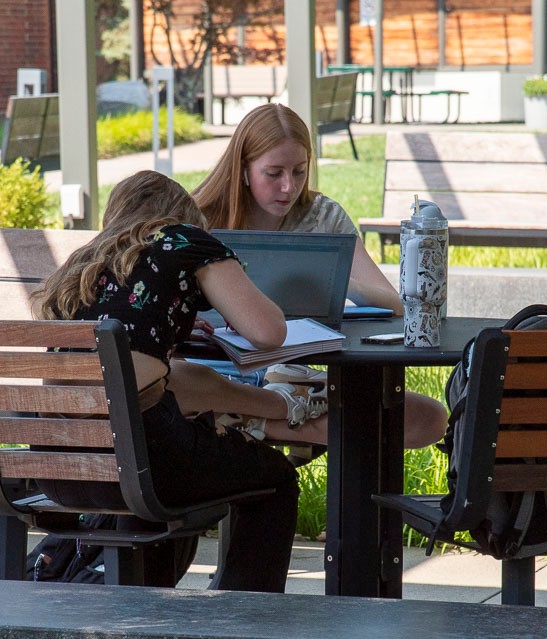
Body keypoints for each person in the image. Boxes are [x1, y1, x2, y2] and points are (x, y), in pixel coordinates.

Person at [32, 170, 322, 592]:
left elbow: (124, 324)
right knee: (274, 477)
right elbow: (267, 332)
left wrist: (175, 323)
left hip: (57, 465)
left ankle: (142, 605)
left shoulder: (86, 261)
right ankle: (247, 620)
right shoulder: (184, 239)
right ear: (182, 213)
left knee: (181, 415)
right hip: (143, 463)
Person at [191, 103, 448, 451]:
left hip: (286, 376)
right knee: (193, 389)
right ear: (243, 169)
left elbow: (392, 303)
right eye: (274, 173)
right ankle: (259, 416)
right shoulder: (197, 219)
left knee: (429, 417)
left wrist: (332, 280)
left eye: (299, 171)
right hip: (211, 370)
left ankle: (242, 420)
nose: (288, 187)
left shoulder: (322, 216)